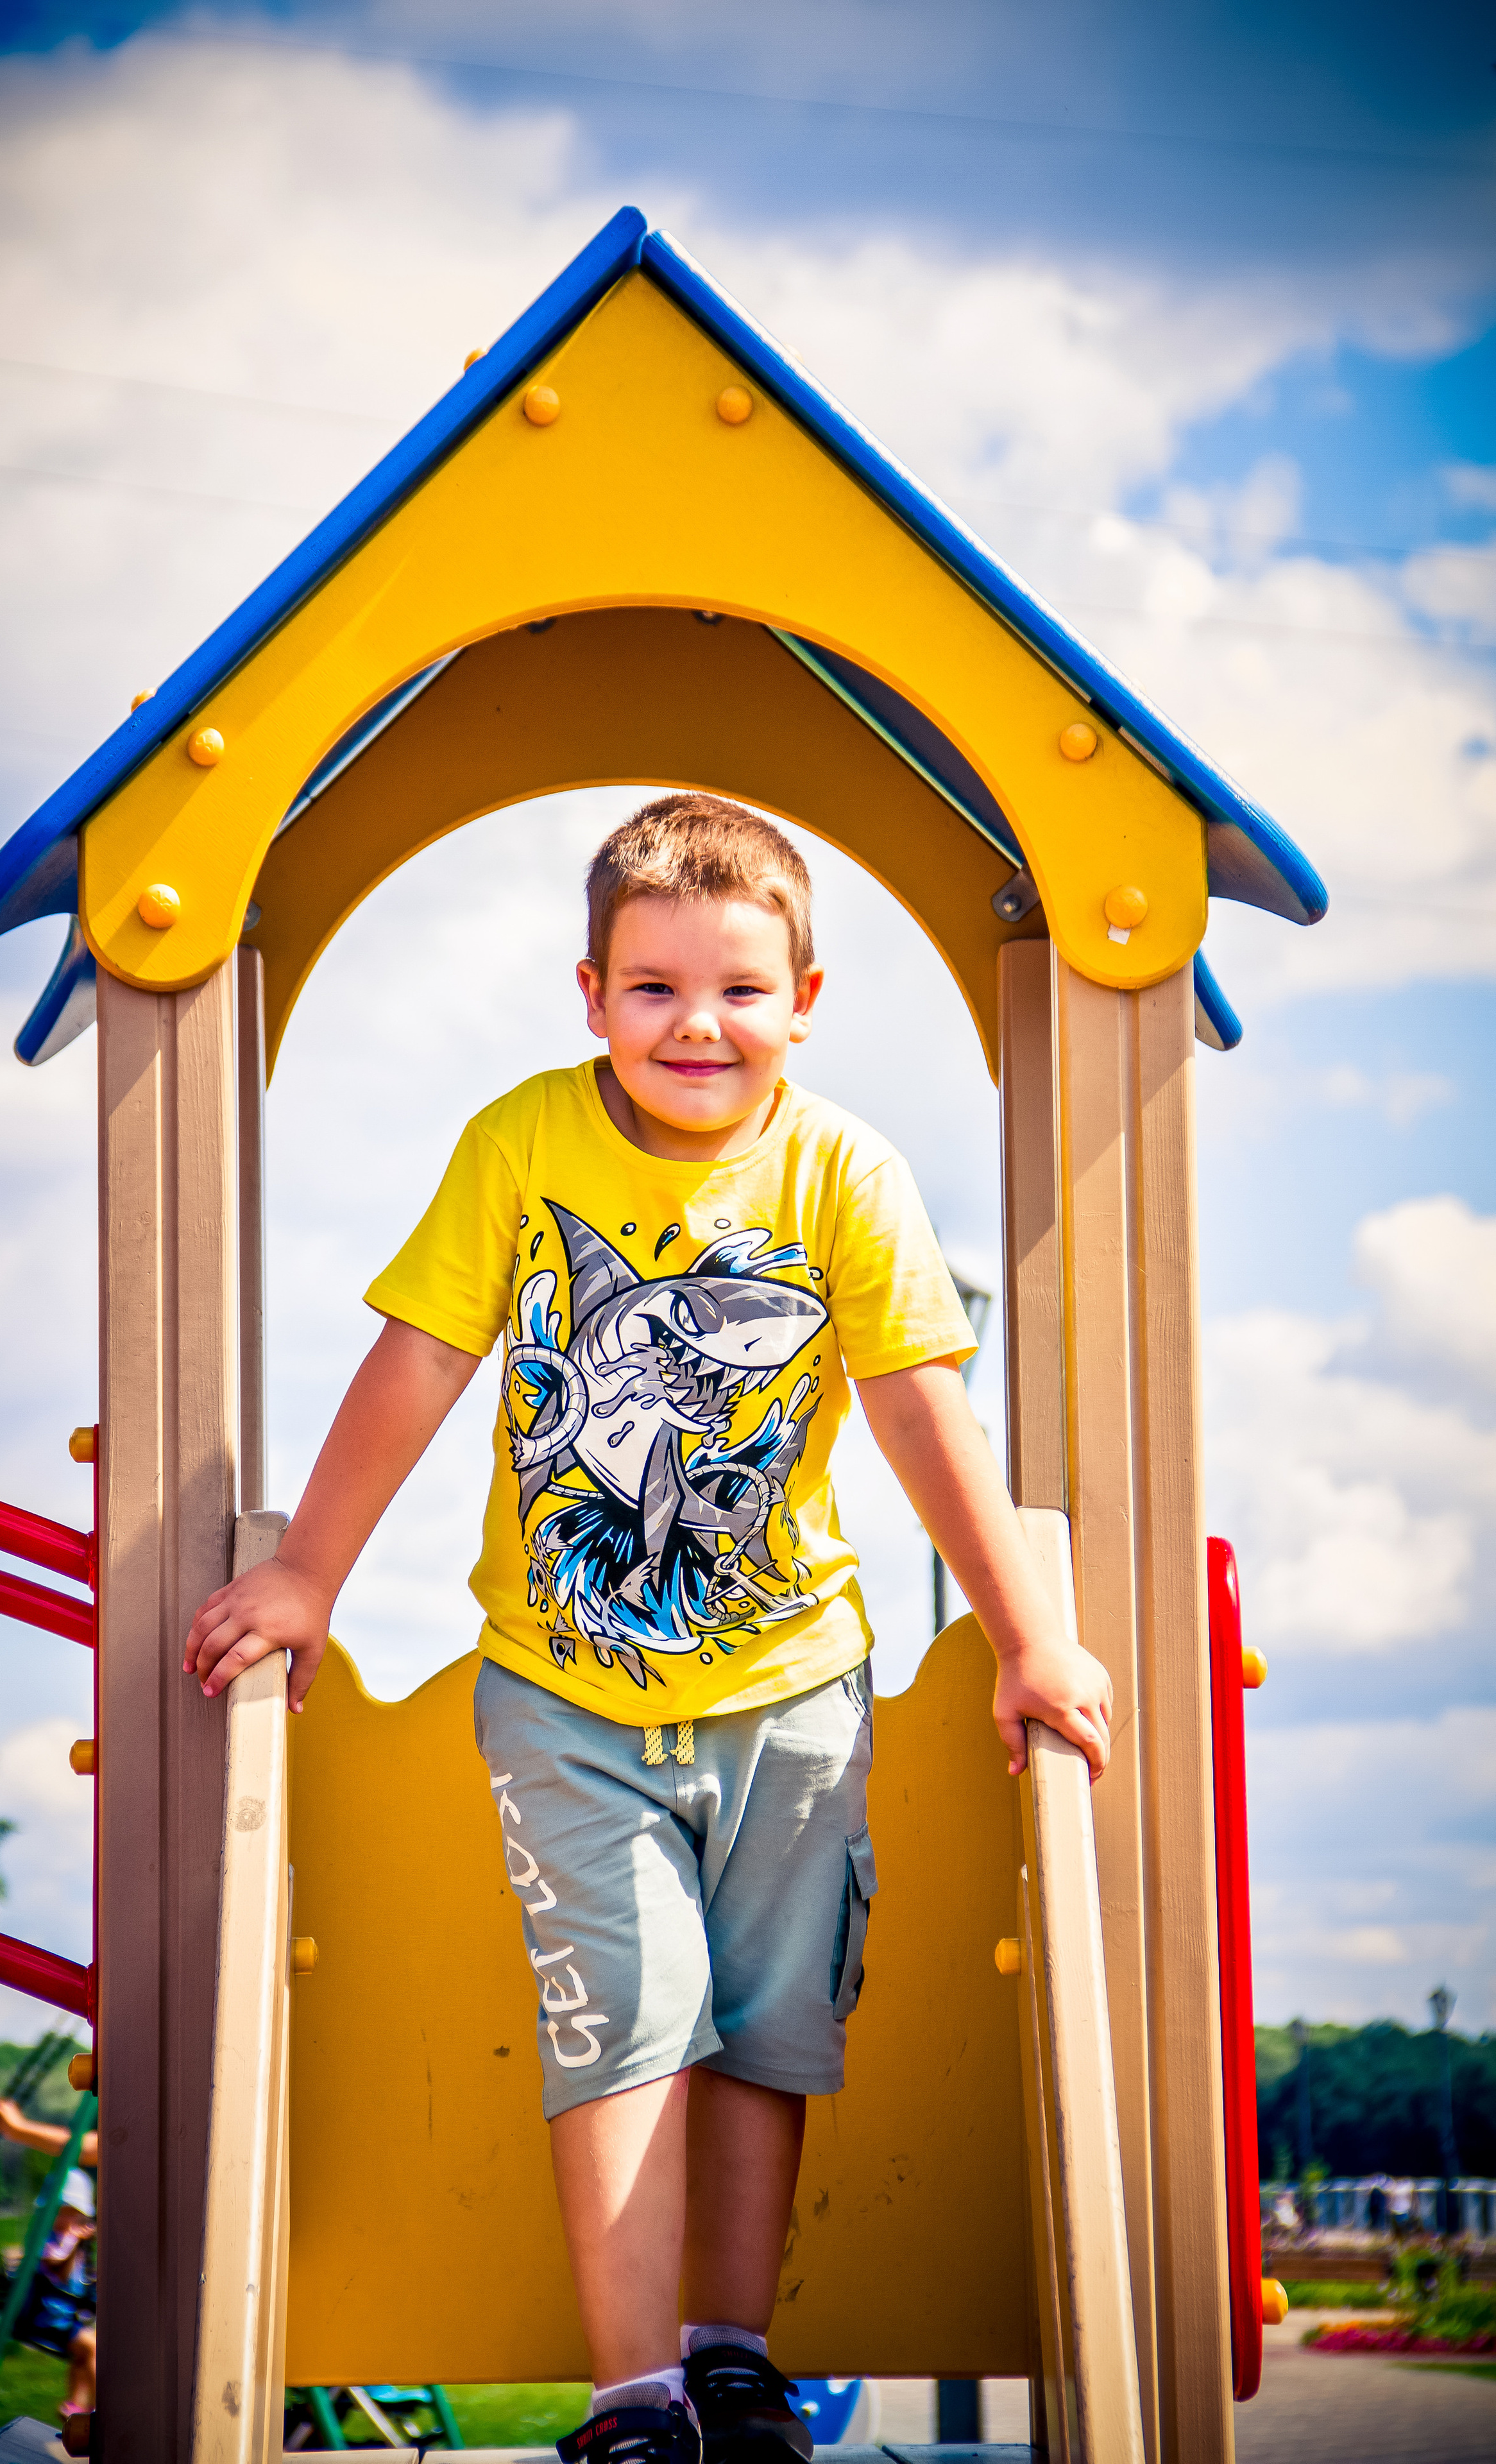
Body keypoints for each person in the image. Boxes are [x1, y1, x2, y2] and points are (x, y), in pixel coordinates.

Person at [184, 798, 1114, 2464]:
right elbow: (418, 1364)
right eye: (655, 987)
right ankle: (632, 2400)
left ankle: (732, 2356)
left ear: (806, 1002)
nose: (699, 1024)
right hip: (564, 1699)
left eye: (742, 990)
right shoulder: (526, 1147)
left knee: (766, 2032)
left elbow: (918, 1416)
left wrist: (1029, 1633)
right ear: (591, 993)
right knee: (622, 2028)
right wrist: (308, 1572)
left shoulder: (843, 1173)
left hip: (795, 1697)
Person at [0, 2096, 98, 2421]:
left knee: (83, 2356)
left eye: (71, 2214)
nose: (65, 2220)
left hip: (64, 2315)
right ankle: (91, 2407)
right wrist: (74, 2245)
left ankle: (74, 2404)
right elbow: (58, 2268)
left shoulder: (69, 2238)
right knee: (91, 2351)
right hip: (46, 2316)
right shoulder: (50, 2241)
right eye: (60, 2213)